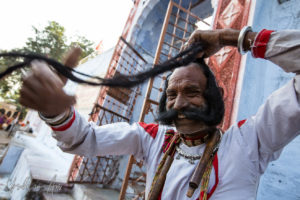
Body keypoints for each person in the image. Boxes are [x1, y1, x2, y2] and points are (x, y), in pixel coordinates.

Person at [19, 28, 300, 200]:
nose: (178, 103)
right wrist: (54, 110)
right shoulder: (152, 138)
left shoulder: (249, 141)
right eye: (172, 94)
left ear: (214, 97)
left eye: (191, 91)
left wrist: (235, 37)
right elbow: (83, 139)